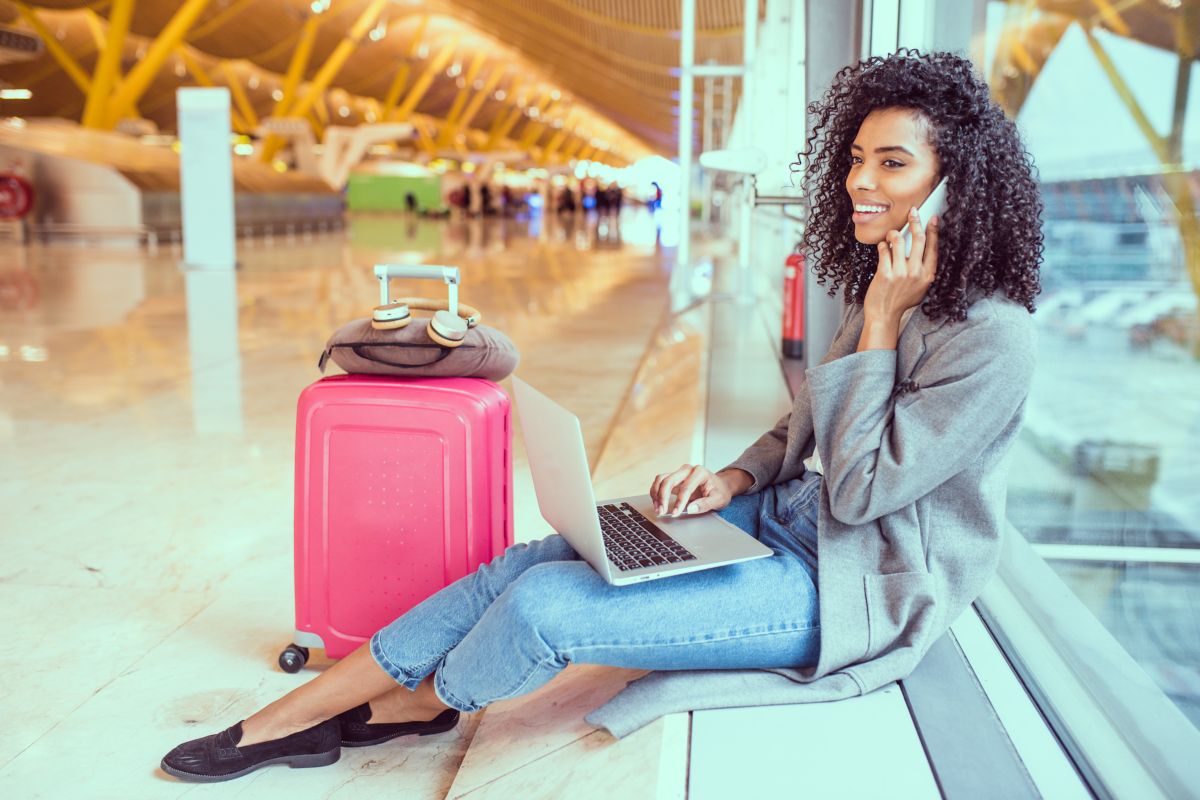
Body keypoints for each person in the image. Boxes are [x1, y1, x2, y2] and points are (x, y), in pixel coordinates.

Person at [160, 49, 1043, 782]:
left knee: (547, 609)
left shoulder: (990, 338)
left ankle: (414, 704)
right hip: (783, 520)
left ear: (954, 186)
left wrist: (882, 325)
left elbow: (859, 491)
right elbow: (804, 429)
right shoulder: (888, 288)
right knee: (550, 552)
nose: (860, 179)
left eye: (893, 163)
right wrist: (732, 477)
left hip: (856, 586)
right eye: (855, 157)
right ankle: (287, 717)